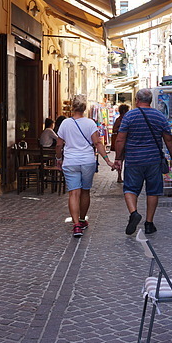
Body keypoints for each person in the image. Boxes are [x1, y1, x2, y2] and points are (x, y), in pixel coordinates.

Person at [111, 88, 172, 235]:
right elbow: (169, 140)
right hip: (153, 159)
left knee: (130, 189)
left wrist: (118, 158)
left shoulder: (129, 116)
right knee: (153, 191)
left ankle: (134, 213)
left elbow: (121, 139)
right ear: (151, 100)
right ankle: (149, 223)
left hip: (134, 159)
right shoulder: (159, 116)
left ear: (137, 100)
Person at [56, 95, 113, 238]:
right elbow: (98, 143)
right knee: (85, 191)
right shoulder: (90, 123)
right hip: (87, 161)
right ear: (85, 108)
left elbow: (59, 144)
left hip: (70, 162)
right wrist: (107, 160)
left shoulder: (65, 123)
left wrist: (58, 158)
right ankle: (82, 220)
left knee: (73, 193)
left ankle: (76, 226)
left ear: (72, 108)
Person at [111, 104, 130, 183]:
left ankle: (120, 176)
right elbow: (115, 130)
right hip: (125, 142)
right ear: (125, 111)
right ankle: (121, 177)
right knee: (123, 160)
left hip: (121, 143)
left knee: (120, 159)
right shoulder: (123, 119)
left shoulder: (119, 119)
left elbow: (114, 129)